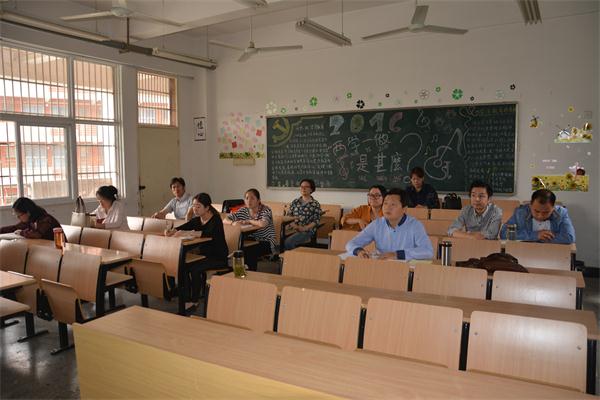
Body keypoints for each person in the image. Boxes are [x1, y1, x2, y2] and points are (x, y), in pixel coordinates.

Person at [167, 193, 228, 304]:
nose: (195, 209)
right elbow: (185, 226)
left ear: (207, 207)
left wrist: (188, 233)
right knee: (183, 266)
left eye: (198, 206)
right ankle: (186, 297)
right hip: (204, 255)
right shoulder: (198, 219)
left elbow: (207, 233)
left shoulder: (216, 220)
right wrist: (173, 230)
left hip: (218, 257)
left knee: (195, 269)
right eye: (194, 206)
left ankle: (194, 300)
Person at [345, 188, 433, 260]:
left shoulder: (415, 225)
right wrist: (359, 251)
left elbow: (427, 251)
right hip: (382, 266)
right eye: (385, 203)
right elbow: (351, 244)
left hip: (405, 269)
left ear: (404, 209)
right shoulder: (377, 224)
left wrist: (397, 254)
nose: (387, 207)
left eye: (393, 204)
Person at [225, 188, 276, 270]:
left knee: (249, 251)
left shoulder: (266, 210)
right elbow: (225, 219)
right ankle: (239, 270)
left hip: (266, 241)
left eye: (252, 198)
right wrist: (233, 223)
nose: (249, 201)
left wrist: (249, 221)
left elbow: (263, 223)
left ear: (259, 200)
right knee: (237, 248)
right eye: (247, 198)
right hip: (250, 239)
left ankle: (251, 272)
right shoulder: (243, 210)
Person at [500, 189, 575, 244]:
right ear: (530, 205)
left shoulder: (561, 213)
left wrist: (540, 238)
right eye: (536, 211)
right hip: (525, 251)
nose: (540, 216)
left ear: (553, 208)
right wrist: (535, 235)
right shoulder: (520, 213)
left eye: (546, 212)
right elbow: (504, 233)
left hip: (553, 253)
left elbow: (569, 237)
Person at [284, 178, 322, 250]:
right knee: (279, 238)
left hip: (307, 231)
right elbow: (289, 216)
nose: (303, 189)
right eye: (301, 187)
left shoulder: (315, 204)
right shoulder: (295, 202)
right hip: (293, 228)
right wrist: (295, 226)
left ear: (311, 189)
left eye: (306, 187)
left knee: (288, 242)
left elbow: (316, 221)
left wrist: (304, 228)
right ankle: (285, 256)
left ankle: (294, 257)